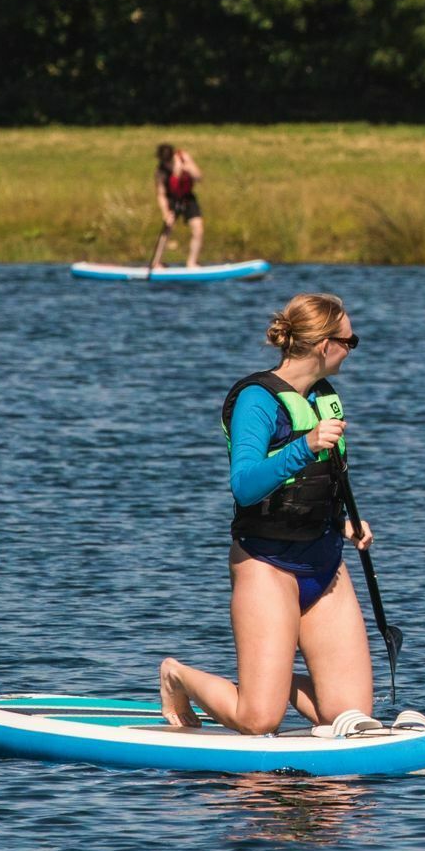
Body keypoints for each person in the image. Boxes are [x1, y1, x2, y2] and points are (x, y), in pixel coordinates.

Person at [159, 293, 378, 736]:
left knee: (349, 718)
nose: (352, 350)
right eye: (350, 342)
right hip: (267, 564)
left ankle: (267, 681)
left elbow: (315, 485)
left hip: (324, 563)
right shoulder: (256, 400)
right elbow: (244, 485)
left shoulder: (323, 398)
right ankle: (177, 675)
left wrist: (345, 523)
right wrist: (305, 445)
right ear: (325, 345)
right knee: (259, 720)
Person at [153, 143, 205, 269]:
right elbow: (161, 195)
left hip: (187, 198)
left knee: (198, 229)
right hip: (171, 199)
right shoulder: (160, 172)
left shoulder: (184, 158)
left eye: (168, 161)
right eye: (164, 162)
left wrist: (189, 169)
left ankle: (191, 263)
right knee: (167, 230)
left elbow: (199, 177)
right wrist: (166, 213)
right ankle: (156, 263)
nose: (167, 164)